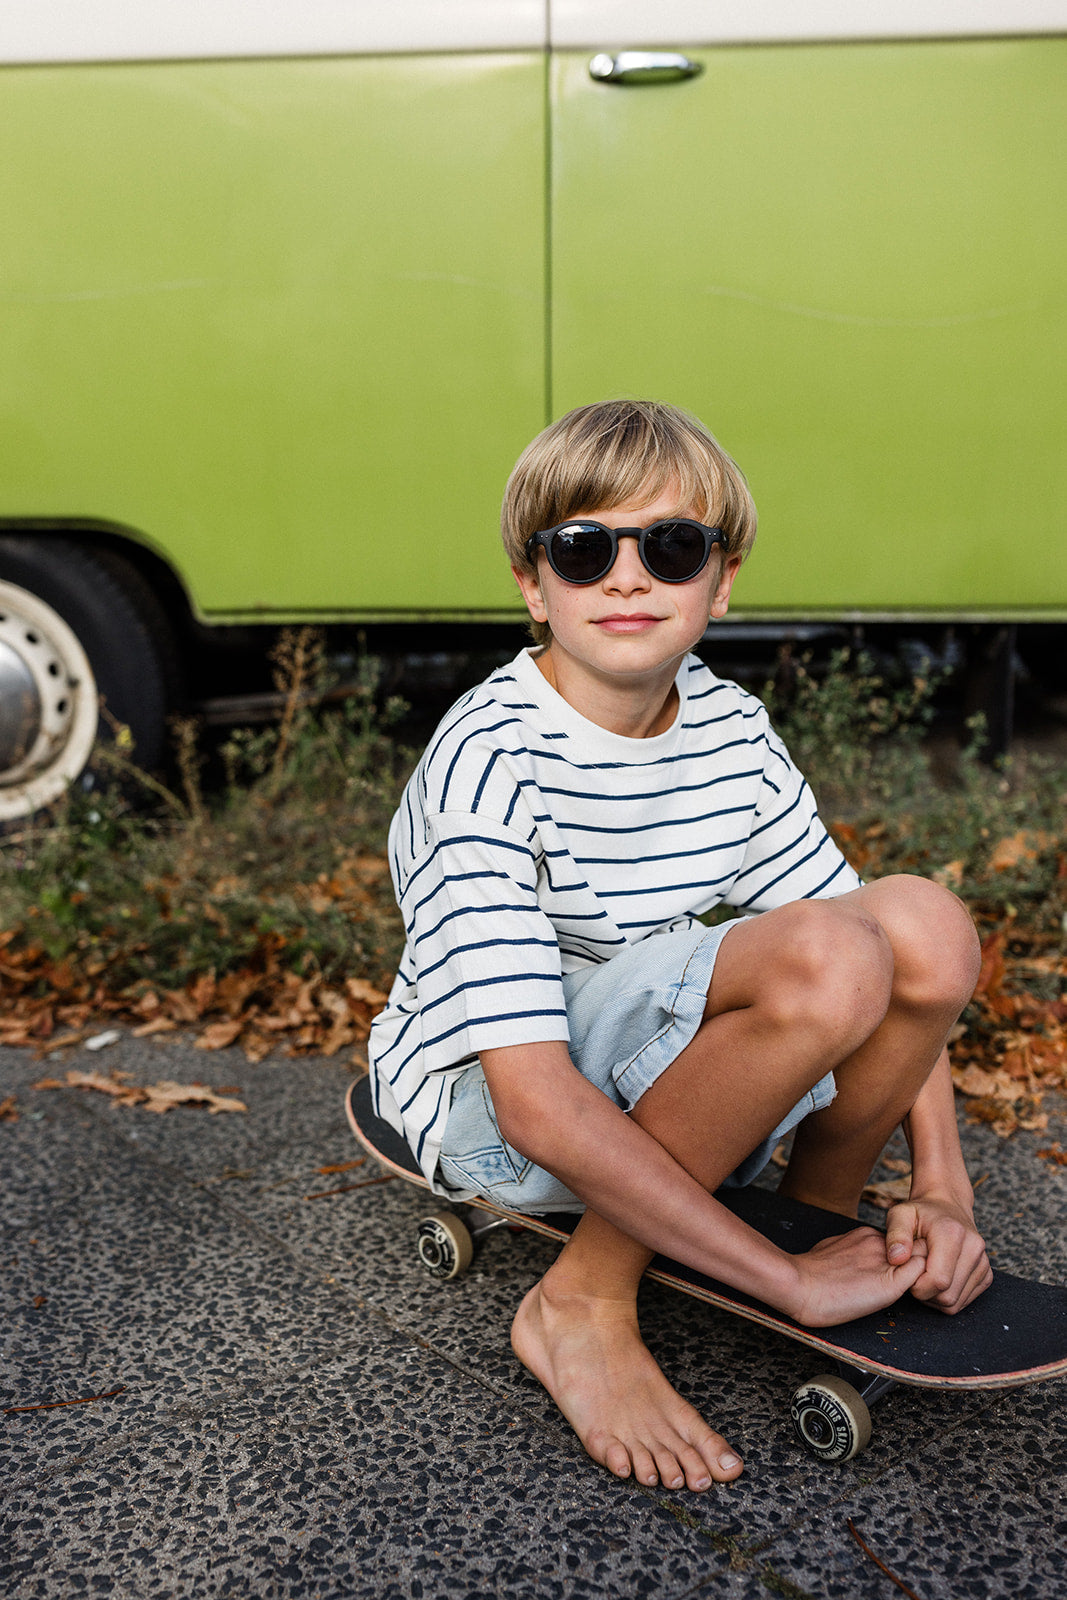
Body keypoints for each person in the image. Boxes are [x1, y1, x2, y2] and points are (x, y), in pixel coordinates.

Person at [366, 399, 991, 1491]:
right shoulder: (486, 760)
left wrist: (942, 1188)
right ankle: (583, 1301)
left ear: (720, 575)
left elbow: (898, 960)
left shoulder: (730, 732)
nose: (624, 577)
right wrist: (778, 1284)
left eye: (668, 545)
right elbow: (531, 1103)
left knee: (921, 923)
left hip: (635, 1078)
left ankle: (822, 1215)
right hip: (491, 1112)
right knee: (831, 956)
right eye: (580, 547)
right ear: (531, 582)